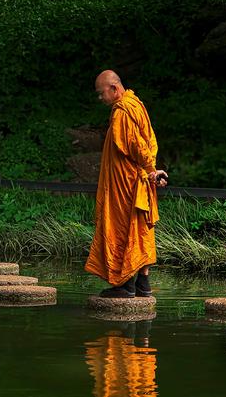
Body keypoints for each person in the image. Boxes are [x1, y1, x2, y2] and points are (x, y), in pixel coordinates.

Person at [84, 70, 167, 298]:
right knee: (140, 230)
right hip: (136, 179)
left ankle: (126, 285)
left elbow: (137, 145)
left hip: (127, 184)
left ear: (114, 89)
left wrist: (151, 169)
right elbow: (151, 141)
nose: (100, 98)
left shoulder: (123, 112)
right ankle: (142, 284)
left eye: (101, 93)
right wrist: (150, 170)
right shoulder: (136, 104)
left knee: (123, 230)